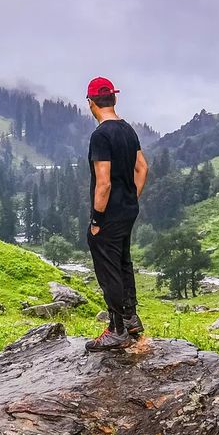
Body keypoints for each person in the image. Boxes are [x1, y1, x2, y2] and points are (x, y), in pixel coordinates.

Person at [82, 76, 148, 352]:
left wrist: (97, 220)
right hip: (127, 210)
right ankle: (131, 319)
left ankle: (117, 329)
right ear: (114, 99)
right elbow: (142, 168)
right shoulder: (127, 129)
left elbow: (104, 182)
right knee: (123, 262)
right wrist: (131, 198)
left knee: (108, 269)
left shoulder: (101, 135)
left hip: (108, 214)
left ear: (91, 103)